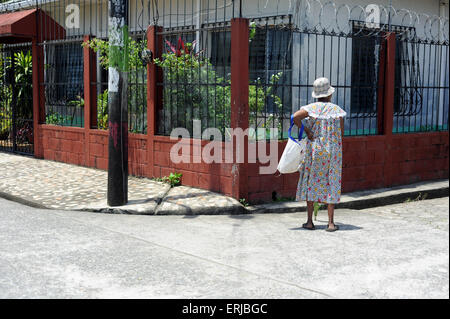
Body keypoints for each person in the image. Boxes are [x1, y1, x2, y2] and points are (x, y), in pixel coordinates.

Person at [293, 77, 346, 232]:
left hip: (315, 151)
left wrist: (308, 131)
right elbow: (341, 133)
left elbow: (295, 117)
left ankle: (309, 221)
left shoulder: (311, 108)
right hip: (333, 152)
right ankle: (330, 223)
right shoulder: (337, 111)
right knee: (332, 181)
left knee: (312, 182)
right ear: (329, 94)